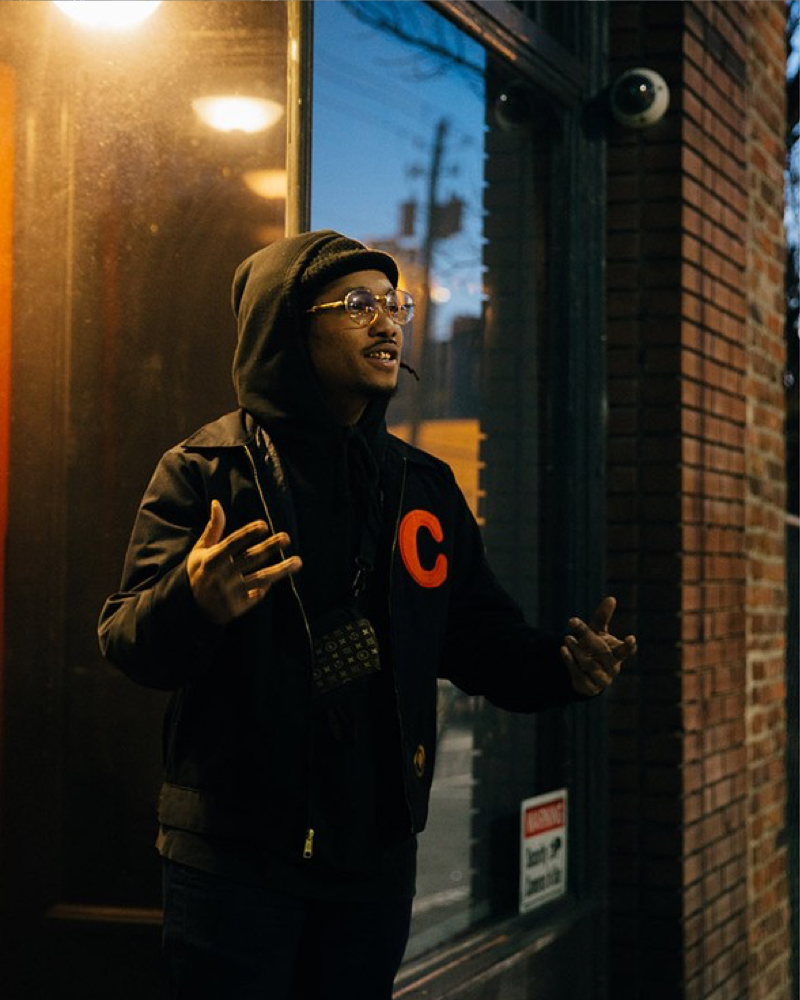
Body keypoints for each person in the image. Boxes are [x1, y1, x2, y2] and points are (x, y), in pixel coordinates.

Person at [98, 230, 636, 1000]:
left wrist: (560, 669)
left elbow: (477, 638)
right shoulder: (206, 472)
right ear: (288, 324)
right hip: (235, 859)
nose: (388, 323)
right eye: (358, 305)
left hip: (374, 859)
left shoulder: (423, 486)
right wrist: (193, 600)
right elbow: (124, 641)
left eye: (395, 305)